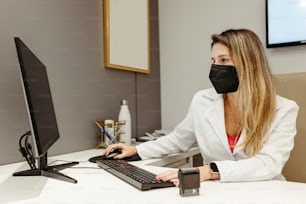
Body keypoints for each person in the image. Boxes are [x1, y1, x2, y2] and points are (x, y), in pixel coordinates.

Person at [104, 28, 299, 186]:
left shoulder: (283, 109)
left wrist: (208, 171)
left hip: (264, 192)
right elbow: (178, 140)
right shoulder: (202, 100)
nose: (216, 68)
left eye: (224, 60)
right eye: (213, 61)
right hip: (215, 193)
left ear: (251, 64)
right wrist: (137, 151)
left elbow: (269, 164)